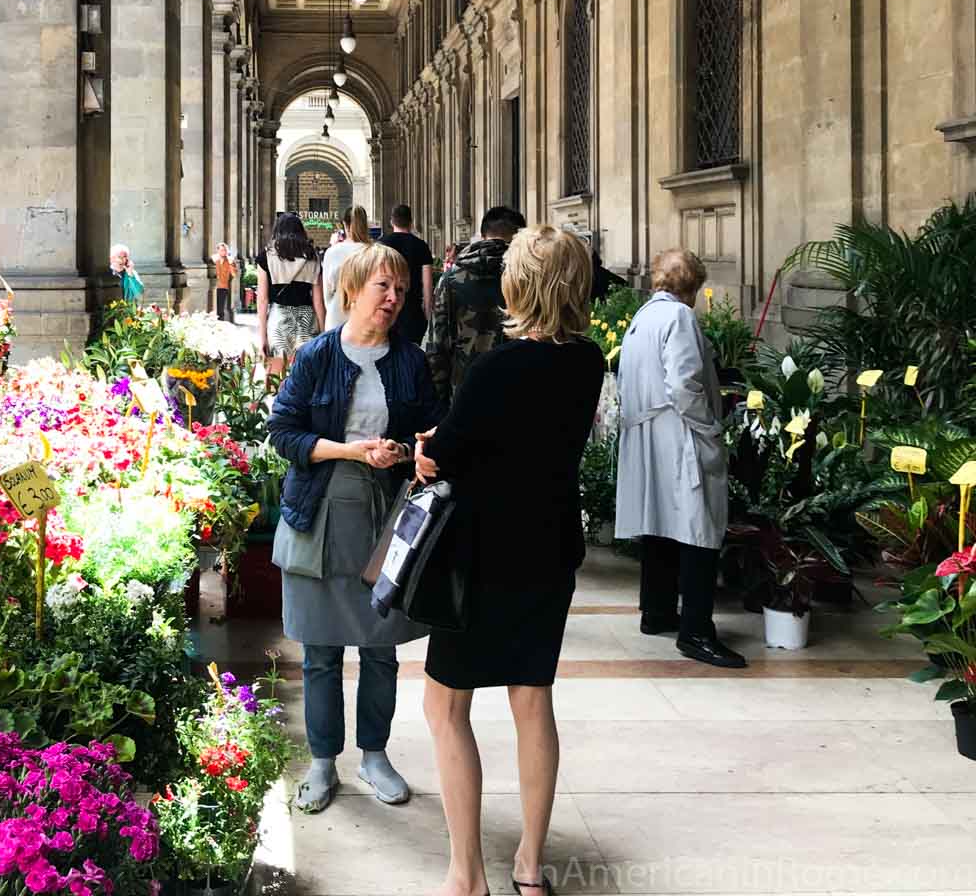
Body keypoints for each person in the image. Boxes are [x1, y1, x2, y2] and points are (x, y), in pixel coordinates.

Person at [414, 226, 604, 896]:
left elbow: (452, 452)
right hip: (548, 548)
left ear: (519, 283)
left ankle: (466, 873)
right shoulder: (588, 362)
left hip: (481, 555)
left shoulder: (497, 367)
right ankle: (529, 864)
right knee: (531, 699)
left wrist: (426, 448)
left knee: (445, 708)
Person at [268, 243, 444, 815]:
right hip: (319, 514)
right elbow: (283, 433)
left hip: (383, 515)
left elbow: (430, 428)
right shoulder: (317, 355)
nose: (394, 299)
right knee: (320, 651)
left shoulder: (409, 361)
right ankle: (322, 765)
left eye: (399, 290)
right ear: (351, 289)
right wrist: (351, 450)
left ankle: (374, 756)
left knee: (380, 648)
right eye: (383, 288)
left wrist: (413, 449)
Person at [615, 248, 745, 669]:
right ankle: (695, 631)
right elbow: (685, 384)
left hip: (648, 432)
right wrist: (710, 427)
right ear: (692, 286)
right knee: (697, 528)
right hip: (678, 433)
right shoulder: (680, 317)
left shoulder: (643, 316)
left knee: (658, 524)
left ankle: (656, 611)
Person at [425, 205, 526, 404]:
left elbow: (437, 344)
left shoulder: (451, 278)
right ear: (519, 237)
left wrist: (438, 403)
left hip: (463, 392)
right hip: (514, 393)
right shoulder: (526, 277)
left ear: (482, 235)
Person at [256, 213, 326, 368]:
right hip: (307, 321)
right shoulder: (312, 257)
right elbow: (318, 301)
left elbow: (262, 300)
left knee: (276, 379)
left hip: (279, 320)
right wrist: (324, 332)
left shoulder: (266, 257)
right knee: (306, 378)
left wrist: (262, 337)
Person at [379, 203, 434, 345]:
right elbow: (427, 284)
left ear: (391, 222)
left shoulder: (381, 245)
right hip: (413, 312)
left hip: (387, 309)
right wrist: (428, 315)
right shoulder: (421, 246)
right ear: (411, 222)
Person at [321, 205, 373, 331]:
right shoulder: (373, 251)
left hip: (337, 315)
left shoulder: (332, 252)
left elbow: (327, 293)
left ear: (345, 224)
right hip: (366, 316)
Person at [214, 242, 239, 321]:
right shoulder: (214, 260)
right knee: (214, 309)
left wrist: (231, 264)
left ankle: (220, 325)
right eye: (221, 250)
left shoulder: (229, 261)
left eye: (225, 250)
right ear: (218, 251)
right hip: (214, 286)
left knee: (220, 309)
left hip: (223, 287)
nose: (223, 252)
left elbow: (234, 274)